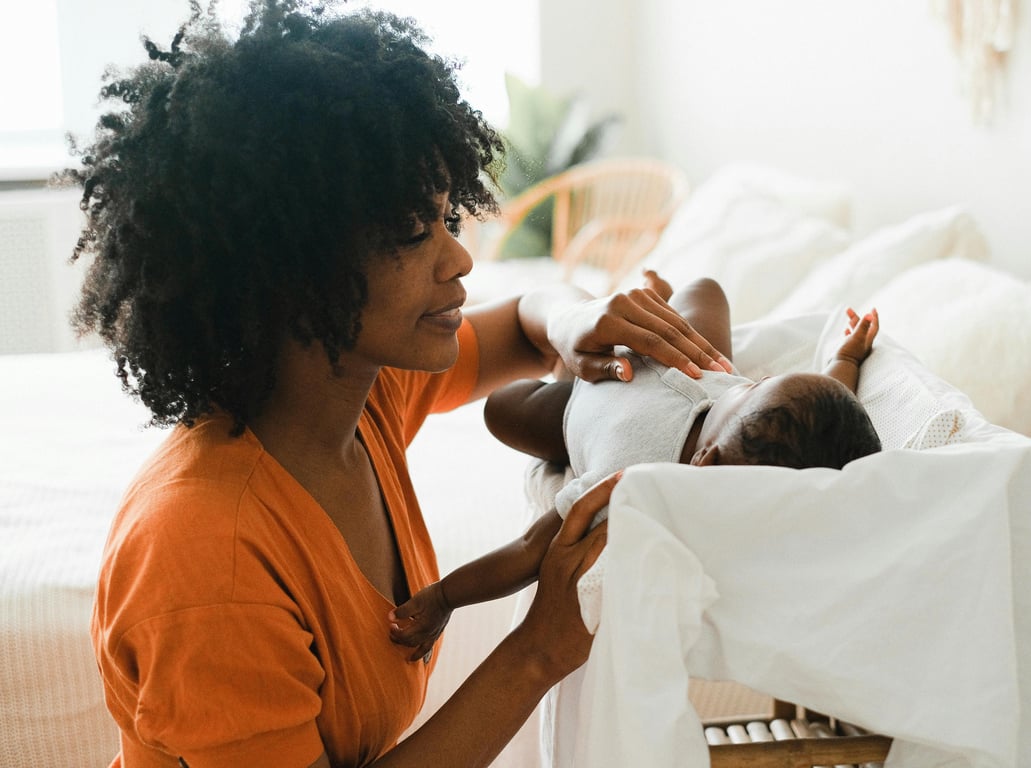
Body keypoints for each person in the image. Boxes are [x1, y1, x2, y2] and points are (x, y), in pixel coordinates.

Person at [63, 3, 731, 766]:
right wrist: (536, 653)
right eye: (415, 233)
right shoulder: (210, 561)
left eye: (449, 218)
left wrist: (573, 317)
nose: (460, 261)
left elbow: (519, 324)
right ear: (291, 270)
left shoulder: (354, 394)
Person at [388, 272, 881, 656]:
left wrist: (445, 597)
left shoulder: (628, 484)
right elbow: (823, 404)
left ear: (705, 463)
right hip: (679, 356)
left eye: (749, 391)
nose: (743, 386)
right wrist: (848, 358)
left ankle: (582, 357)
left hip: (578, 411)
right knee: (706, 291)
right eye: (756, 384)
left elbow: (528, 550)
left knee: (502, 408)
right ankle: (652, 308)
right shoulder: (722, 385)